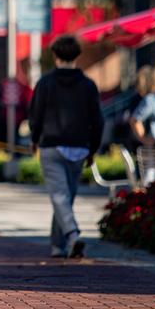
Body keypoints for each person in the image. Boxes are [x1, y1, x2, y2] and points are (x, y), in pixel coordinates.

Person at [28, 34, 104, 260]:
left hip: (51, 147)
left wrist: (34, 139)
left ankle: (71, 236)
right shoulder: (88, 85)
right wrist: (93, 149)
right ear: (77, 56)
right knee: (64, 197)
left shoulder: (45, 83)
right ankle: (57, 246)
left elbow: (35, 115)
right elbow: (97, 120)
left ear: (54, 55)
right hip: (79, 147)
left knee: (60, 197)